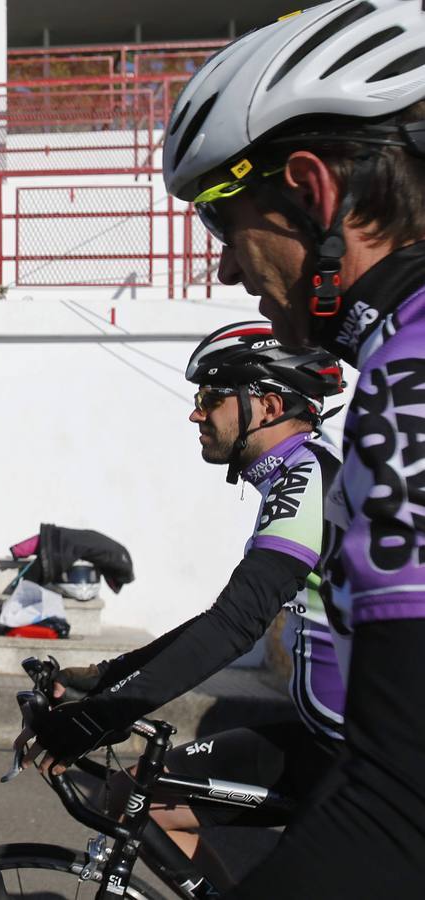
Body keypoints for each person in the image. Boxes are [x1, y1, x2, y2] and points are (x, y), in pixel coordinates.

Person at [159, 2, 425, 894]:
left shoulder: (408, 366)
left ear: (312, 190)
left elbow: (401, 807)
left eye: (219, 223)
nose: (224, 269)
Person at [33, 322, 346, 891]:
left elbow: (234, 626)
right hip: (322, 737)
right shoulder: (299, 475)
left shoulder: (310, 479)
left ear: (269, 404)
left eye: (210, 398)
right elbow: (227, 616)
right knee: (131, 796)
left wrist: (100, 718)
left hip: (360, 759)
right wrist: (106, 678)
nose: (196, 414)